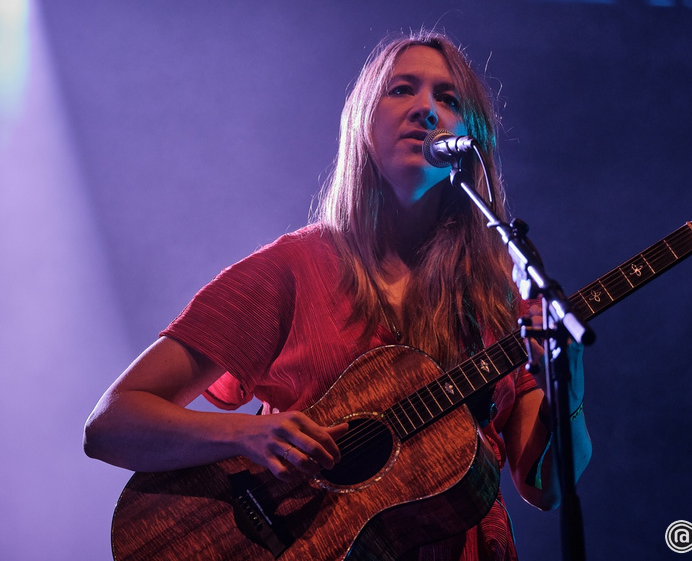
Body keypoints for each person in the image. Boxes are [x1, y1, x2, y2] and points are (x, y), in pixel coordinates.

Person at [84, 30, 591, 561]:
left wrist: (568, 376)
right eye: (402, 90)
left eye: (449, 99)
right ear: (362, 122)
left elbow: (548, 490)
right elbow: (111, 424)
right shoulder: (291, 270)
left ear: (472, 138)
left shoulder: (500, 297)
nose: (426, 110)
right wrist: (243, 436)